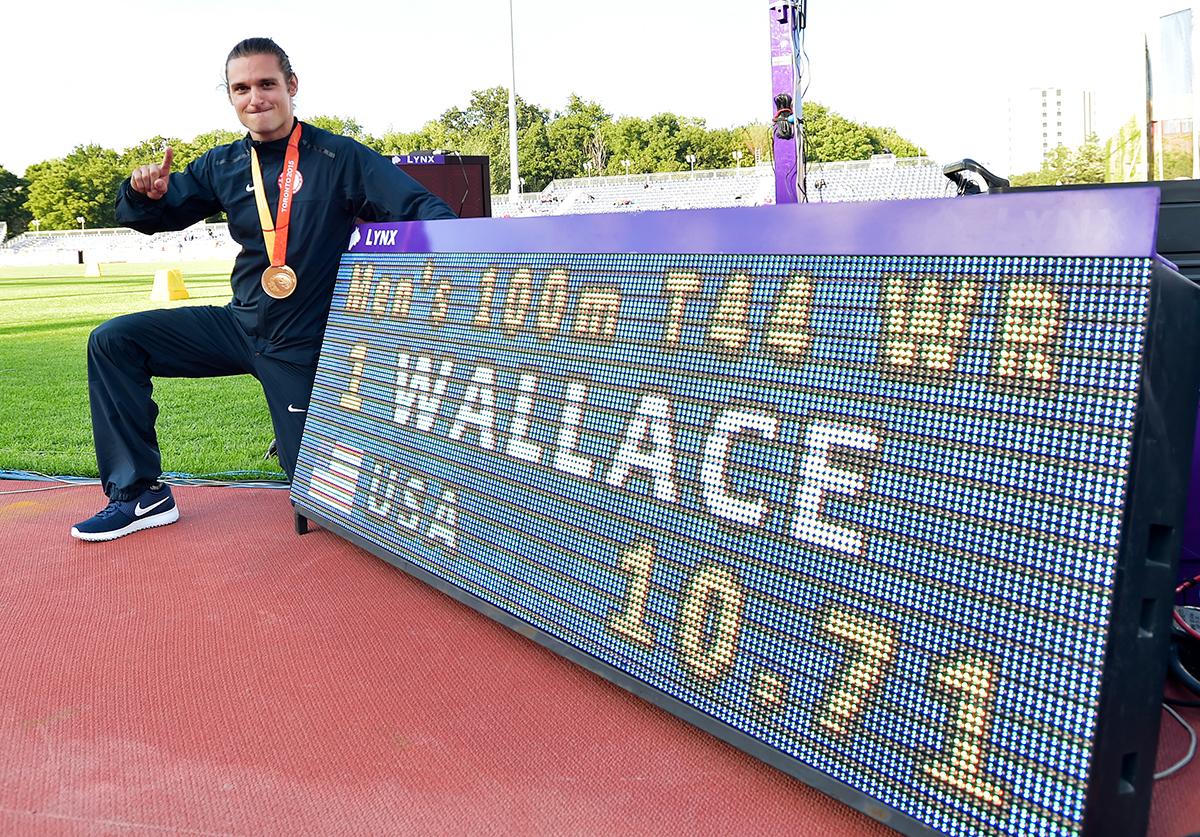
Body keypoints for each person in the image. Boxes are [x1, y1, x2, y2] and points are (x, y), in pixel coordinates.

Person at [70, 37, 456, 542]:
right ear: (231, 97)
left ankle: (310, 430)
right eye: (241, 88)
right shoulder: (224, 164)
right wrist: (141, 193)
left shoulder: (340, 157)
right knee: (114, 340)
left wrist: (467, 245)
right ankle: (140, 495)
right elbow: (156, 214)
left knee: (321, 497)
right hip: (238, 325)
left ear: (291, 86)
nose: (256, 97)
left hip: (301, 343)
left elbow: (421, 209)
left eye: (267, 83)